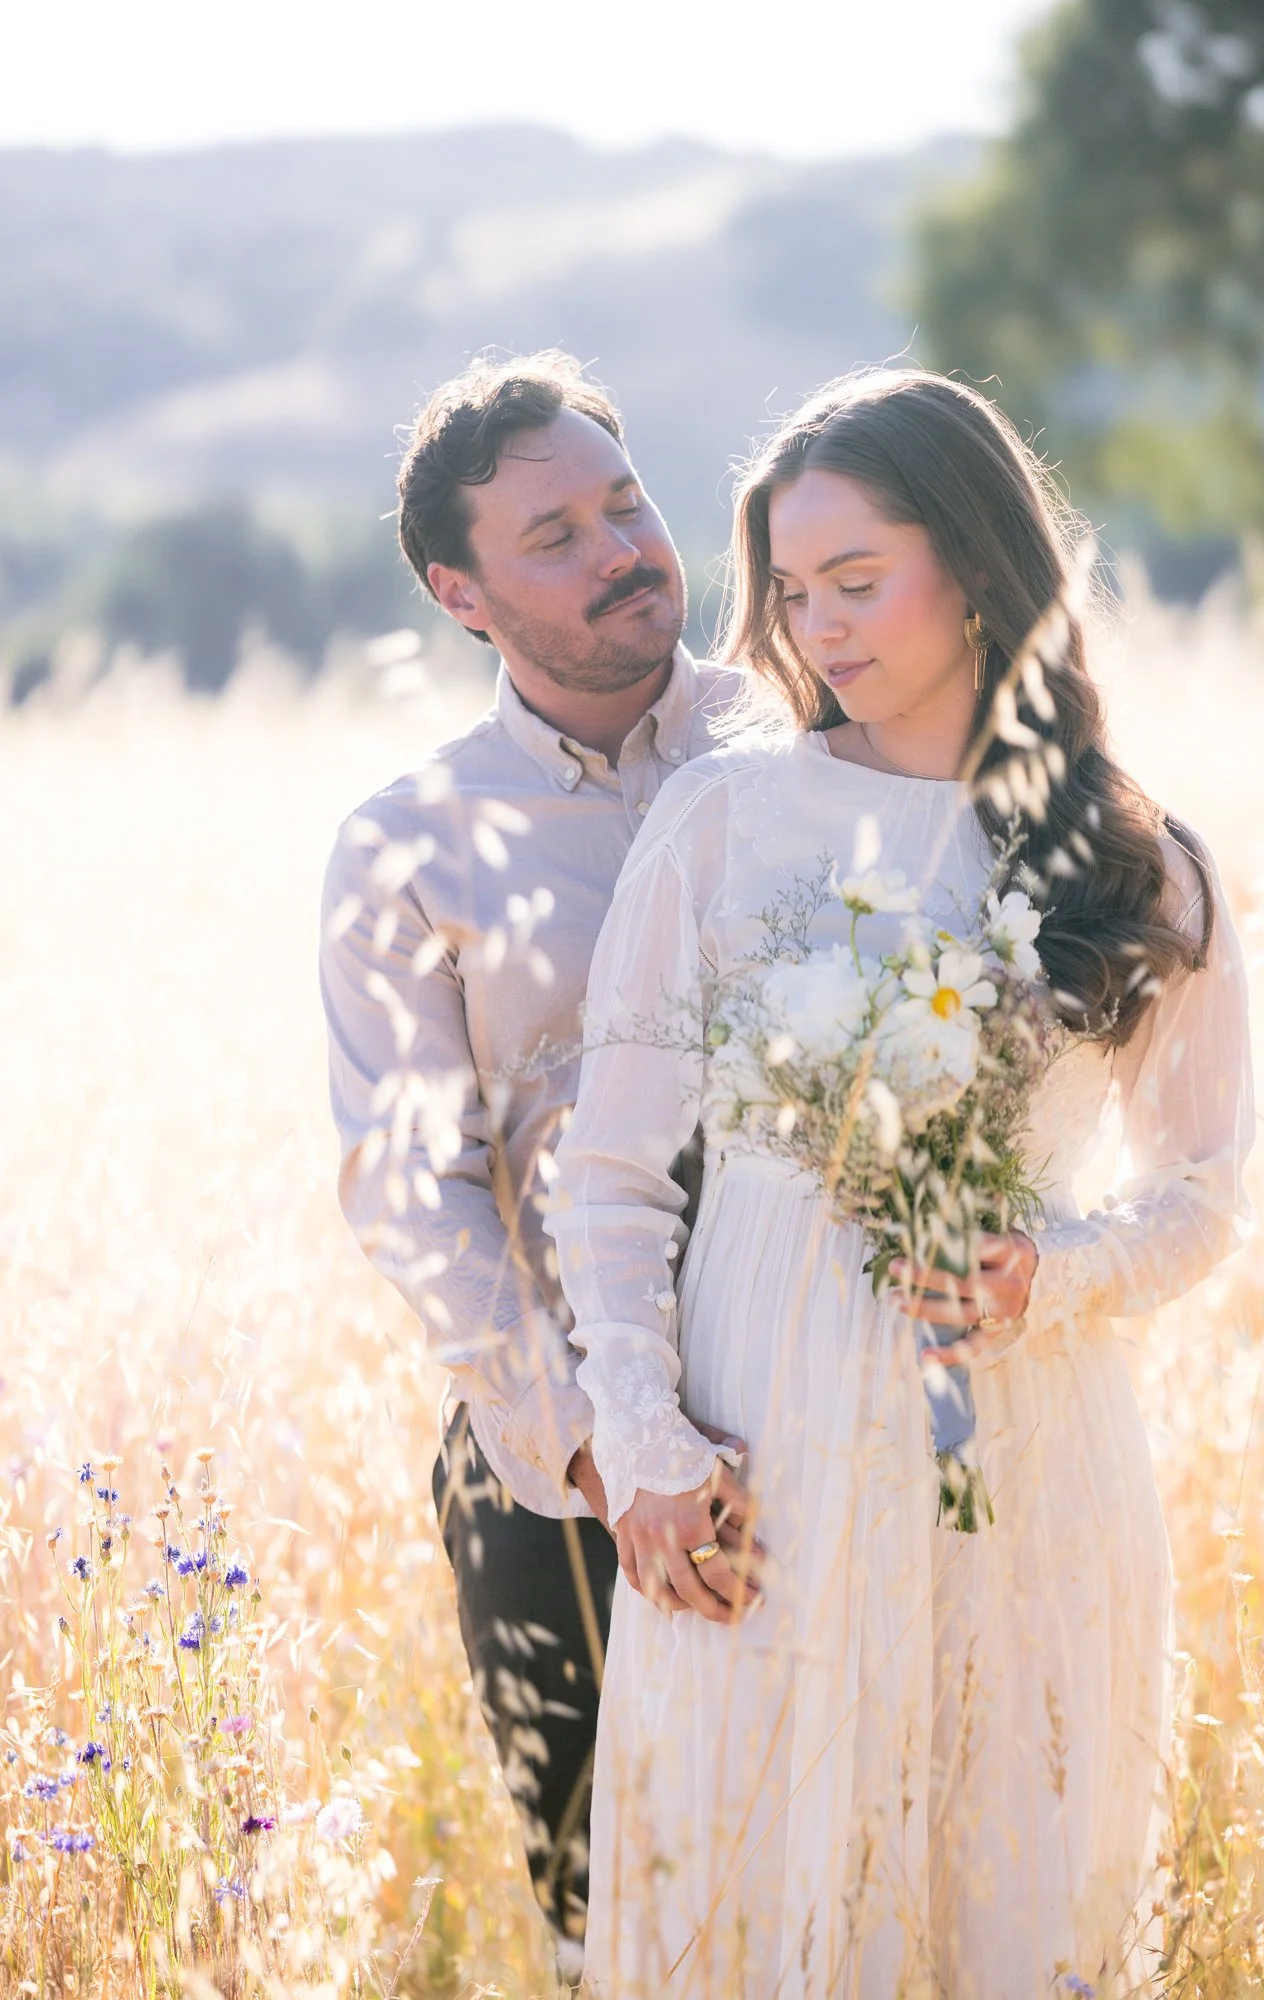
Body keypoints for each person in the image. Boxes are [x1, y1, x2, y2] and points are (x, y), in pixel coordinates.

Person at [546, 368, 1254, 1997]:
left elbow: (1210, 1189)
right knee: (765, 1893)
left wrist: (1047, 1275)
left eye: (857, 583)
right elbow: (613, 1176)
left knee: (1005, 1894)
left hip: (1027, 1460)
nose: (819, 629)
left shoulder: (1145, 866)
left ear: (985, 566)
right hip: (763, 1461)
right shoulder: (727, 821)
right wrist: (646, 1447)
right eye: (794, 594)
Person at [318, 351, 742, 1970]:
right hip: (554, 1458)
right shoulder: (409, 844)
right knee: (612, 1911)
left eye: (625, 504)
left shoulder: (811, 742)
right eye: (554, 536)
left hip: (828, 1396)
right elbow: (408, 1186)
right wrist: (590, 1452)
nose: (624, 549)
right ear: (460, 593)